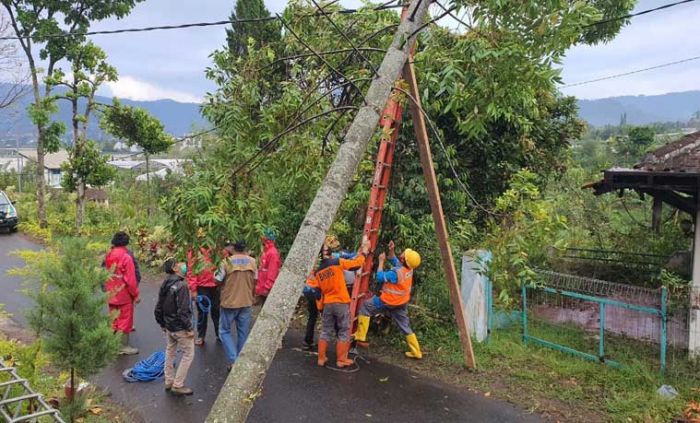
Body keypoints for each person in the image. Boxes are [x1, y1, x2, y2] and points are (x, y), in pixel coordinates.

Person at [305, 236, 369, 367]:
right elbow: (356, 265)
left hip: (328, 303)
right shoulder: (337, 262)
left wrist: (321, 308)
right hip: (341, 301)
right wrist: (364, 253)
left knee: (325, 331)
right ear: (331, 253)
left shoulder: (318, 272)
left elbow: (318, 292)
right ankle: (341, 360)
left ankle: (321, 358)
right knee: (344, 330)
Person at [354, 240, 423, 359]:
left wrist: (381, 262)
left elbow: (380, 277)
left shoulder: (396, 273)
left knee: (365, 307)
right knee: (405, 326)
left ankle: (360, 336)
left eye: (403, 254)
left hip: (387, 301)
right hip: (401, 303)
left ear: (403, 260)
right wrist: (391, 250)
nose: (402, 253)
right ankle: (416, 352)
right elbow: (393, 259)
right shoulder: (408, 269)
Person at [302, 242, 359, 351]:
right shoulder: (332, 261)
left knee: (313, 317)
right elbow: (351, 258)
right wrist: (362, 253)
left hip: (309, 290)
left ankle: (307, 342)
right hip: (320, 293)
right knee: (335, 320)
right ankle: (342, 346)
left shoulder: (315, 259)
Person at [154, 258, 195, 396]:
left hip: (169, 326)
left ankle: (169, 381)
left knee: (170, 351)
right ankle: (178, 385)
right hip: (179, 327)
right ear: (175, 268)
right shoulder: (182, 286)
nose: (184, 264)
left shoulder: (166, 283)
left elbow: (158, 306)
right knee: (188, 354)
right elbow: (183, 310)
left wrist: (162, 324)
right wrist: (189, 328)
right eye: (180, 263)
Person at [215, 240, 257, 370]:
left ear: (233, 248)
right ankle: (240, 361)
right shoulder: (252, 262)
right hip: (246, 301)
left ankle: (235, 360)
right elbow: (256, 280)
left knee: (224, 331)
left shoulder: (226, 262)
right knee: (243, 333)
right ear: (245, 248)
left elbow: (217, 280)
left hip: (229, 302)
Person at [104, 231, 140, 355]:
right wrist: (135, 294)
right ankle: (122, 346)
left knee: (113, 317)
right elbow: (130, 279)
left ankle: (111, 343)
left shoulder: (109, 254)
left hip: (111, 292)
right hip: (123, 294)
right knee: (125, 319)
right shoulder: (126, 257)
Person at [186, 245, 220, 346]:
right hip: (202, 287)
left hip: (215, 286)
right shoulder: (195, 250)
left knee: (216, 311)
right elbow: (191, 271)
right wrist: (193, 290)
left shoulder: (216, 248)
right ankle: (201, 336)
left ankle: (219, 334)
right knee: (202, 313)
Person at [255, 229, 281, 302]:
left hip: (266, 287)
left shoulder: (272, 253)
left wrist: (267, 287)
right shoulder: (267, 251)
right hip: (262, 285)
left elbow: (272, 271)